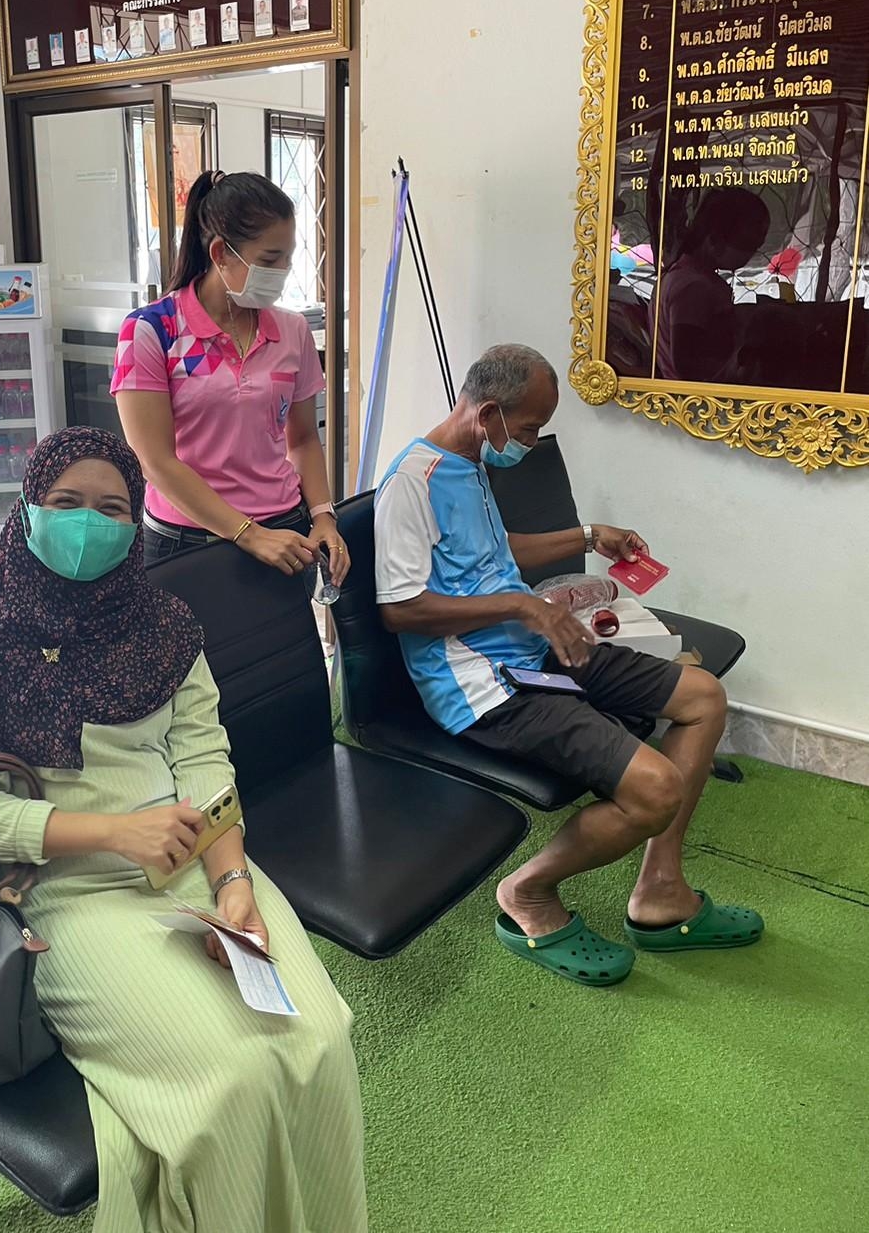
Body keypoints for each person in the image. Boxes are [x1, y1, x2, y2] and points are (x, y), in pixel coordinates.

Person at [0, 429, 367, 1233]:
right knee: (232, 1079)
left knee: (320, 1039)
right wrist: (117, 832)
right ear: (28, 511)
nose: (89, 523)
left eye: (111, 508)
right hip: (68, 895)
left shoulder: (164, 624)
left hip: (198, 867)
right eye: (65, 503)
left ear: (136, 519)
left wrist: (233, 883)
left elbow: (204, 754)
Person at [374, 345, 763, 986]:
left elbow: (497, 551)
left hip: (537, 653)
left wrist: (587, 536)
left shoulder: (470, 463)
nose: (531, 444)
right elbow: (401, 609)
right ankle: (526, 891)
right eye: (529, 429)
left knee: (703, 697)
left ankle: (661, 887)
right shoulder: (411, 484)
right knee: (656, 789)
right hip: (486, 688)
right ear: (489, 414)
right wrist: (524, 607)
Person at [111, 170, 349, 583]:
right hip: (187, 541)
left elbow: (304, 438)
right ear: (221, 253)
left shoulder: (292, 331)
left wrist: (323, 516)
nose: (283, 271)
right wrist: (248, 534)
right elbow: (155, 461)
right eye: (270, 260)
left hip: (283, 533)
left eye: (288, 258)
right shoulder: (152, 330)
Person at [655, 186, 770, 383]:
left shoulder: (683, 275)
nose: (751, 253)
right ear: (715, 239)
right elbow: (687, 364)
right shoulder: (694, 287)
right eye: (747, 243)